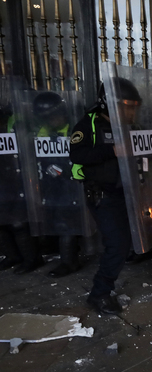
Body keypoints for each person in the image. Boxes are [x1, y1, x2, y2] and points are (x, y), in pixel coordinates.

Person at [70, 78, 152, 315]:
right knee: (118, 244)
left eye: (135, 106)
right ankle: (99, 294)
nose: (132, 111)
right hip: (105, 195)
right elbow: (77, 155)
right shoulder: (89, 124)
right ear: (109, 104)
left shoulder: (133, 126)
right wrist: (111, 150)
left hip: (136, 188)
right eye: (127, 106)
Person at [32, 92, 82, 278]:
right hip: (55, 186)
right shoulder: (44, 132)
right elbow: (42, 160)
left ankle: (69, 263)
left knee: (66, 224)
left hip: (76, 183)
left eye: (54, 116)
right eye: (47, 118)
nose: (52, 121)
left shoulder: (76, 129)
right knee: (61, 222)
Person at [0, 99, 45, 274]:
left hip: (15, 176)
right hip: (5, 178)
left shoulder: (18, 125)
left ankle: (32, 259)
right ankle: (13, 256)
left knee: (18, 222)